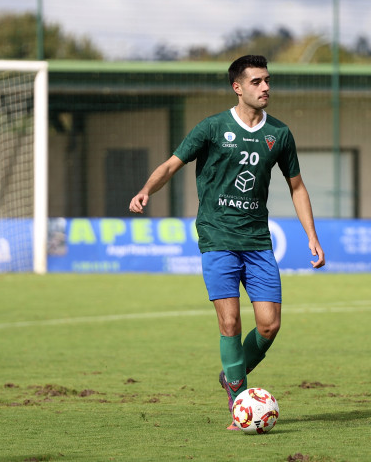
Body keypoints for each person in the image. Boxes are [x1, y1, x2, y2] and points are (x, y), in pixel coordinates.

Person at [129, 54, 325, 430]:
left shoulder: (280, 134)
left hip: (257, 241)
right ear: (238, 87)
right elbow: (172, 164)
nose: (265, 87)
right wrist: (146, 190)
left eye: (267, 80)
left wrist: (311, 237)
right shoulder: (213, 128)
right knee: (230, 322)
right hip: (217, 237)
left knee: (269, 325)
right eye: (256, 82)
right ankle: (239, 401)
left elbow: (296, 186)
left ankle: (232, 374)